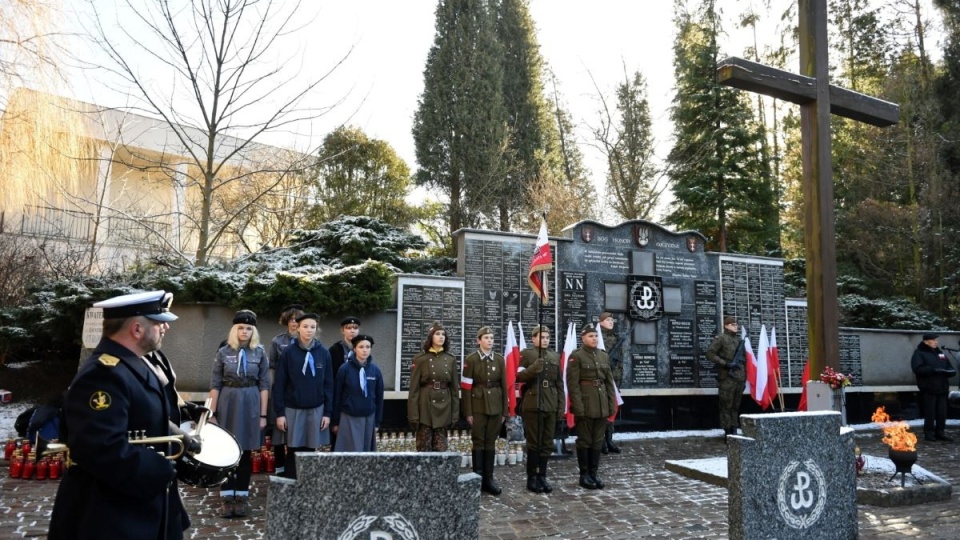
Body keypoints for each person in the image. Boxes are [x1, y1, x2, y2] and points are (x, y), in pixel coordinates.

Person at [49, 290, 199, 539]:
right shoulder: (103, 375)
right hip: (112, 517)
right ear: (137, 329)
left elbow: (149, 420)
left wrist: (177, 437)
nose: (165, 328)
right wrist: (163, 468)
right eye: (159, 322)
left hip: (139, 507)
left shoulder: (135, 365)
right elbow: (102, 449)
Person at [208, 310, 270, 518]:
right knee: (226, 451)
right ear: (235, 330)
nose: (245, 331)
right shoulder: (224, 352)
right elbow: (215, 384)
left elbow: (264, 385)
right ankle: (226, 496)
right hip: (228, 401)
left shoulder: (260, 352)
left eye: (249, 328)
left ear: (254, 331)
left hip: (250, 401)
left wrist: (263, 415)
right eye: (241, 328)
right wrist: (212, 412)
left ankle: (241, 495)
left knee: (245, 452)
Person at [273, 312, 334, 479]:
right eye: (305, 326)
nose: (309, 330)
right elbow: (279, 384)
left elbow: (329, 384)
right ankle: (291, 484)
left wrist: (327, 413)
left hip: (316, 408)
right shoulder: (289, 353)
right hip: (293, 408)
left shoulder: (323, 352)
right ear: (298, 328)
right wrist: (280, 413)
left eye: (312, 327)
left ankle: (307, 485)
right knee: (293, 449)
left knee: (310, 449)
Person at [566, 324, 616, 490]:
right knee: (585, 441)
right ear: (583, 338)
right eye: (590, 336)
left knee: (597, 442)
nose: (594, 339)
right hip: (586, 405)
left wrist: (611, 404)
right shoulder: (576, 357)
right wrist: (578, 407)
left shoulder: (603, 356)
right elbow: (573, 385)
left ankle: (594, 474)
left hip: (601, 405)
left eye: (596, 336)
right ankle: (584, 475)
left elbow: (609, 382)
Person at [516, 325, 564, 494]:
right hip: (533, 402)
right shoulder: (527, 354)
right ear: (534, 339)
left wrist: (560, 407)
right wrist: (533, 368)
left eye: (547, 338)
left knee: (546, 443)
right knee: (534, 443)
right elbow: (519, 376)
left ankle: (542, 475)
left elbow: (559, 383)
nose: (544, 340)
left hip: (550, 402)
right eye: (541, 337)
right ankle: (532, 477)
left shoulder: (554, 356)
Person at [461, 326, 508, 496]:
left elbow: (504, 385)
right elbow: (466, 387)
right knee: (479, 441)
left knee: (491, 442)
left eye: (491, 338)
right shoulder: (472, 359)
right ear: (478, 340)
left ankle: (489, 479)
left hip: (495, 405)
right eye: (486, 338)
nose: (489, 341)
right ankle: (478, 478)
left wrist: (504, 411)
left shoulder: (499, 359)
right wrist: (468, 412)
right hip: (478, 405)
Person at [408, 321, 460, 452]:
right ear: (431, 336)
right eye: (437, 334)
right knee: (423, 448)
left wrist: (455, 414)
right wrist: (413, 415)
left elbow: (454, 389)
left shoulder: (450, 359)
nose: (441, 337)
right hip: (425, 405)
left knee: (441, 449)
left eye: (443, 334)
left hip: (444, 405)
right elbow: (413, 390)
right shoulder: (420, 359)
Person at [266, 304, 303, 475]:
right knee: (279, 434)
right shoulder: (277, 341)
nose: (294, 323)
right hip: (281, 389)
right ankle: (280, 469)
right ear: (286, 321)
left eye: (297, 319)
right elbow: (272, 367)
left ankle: (296, 469)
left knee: (298, 433)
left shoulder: (309, 342)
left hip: (300, 393)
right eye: (291, 319)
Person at [331, 334, 384, 452]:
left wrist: (377, 422)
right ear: (354, 349)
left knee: (365, 453)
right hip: (349, 416)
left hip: (368, 417)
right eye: (361, 347)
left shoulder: (375, 370)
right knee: (349, 452)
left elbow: (379, 398)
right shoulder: (344, 369)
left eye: (368, 347)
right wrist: (335, 421)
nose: (365, 350)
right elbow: (337, 396)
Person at [911, 333, 957, 443]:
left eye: (936, 340)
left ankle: (940, 433)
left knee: (942, 412)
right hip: (929, 388)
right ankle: (929, 434)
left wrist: (951, 372)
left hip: (942, 387)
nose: (936, 342)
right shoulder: (919, 353)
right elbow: (917, 369)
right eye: (933, 340)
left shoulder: (940, 354)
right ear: (926, 341)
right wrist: (933, 370)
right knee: (930, 412)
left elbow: (949, 366)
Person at [706, 316, 746, 438]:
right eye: (733, 324)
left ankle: (734, 428)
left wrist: (744, 378)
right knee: (726, 406)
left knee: (735, 406)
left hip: (739, 378)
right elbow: (710, 354)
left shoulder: (739, 341)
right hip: (727, 378)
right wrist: (725, 364)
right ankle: (727, 431)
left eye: (736, 324)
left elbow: (744, 360)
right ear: (726, 326)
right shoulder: (721, 338)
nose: (736, 326)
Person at [328, 315, 360, 450]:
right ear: (342, 330)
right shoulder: (335, 350)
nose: (352, 331)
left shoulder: (363, 347)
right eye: (348, 328)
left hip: (357, 397)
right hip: (340, 397)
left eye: (355, 328)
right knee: (338, 434)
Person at [598, 312, 623, 454]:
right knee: (602, 409)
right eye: (608, 320)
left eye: (612, 320)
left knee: (612, 409)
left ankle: (609, 439)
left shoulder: (616, 337)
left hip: (615, 379)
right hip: (603, 379)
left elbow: (620, 360)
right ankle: (601, 441)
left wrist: (620, 378)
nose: (611, 322)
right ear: (600, 322)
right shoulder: (597, 336)